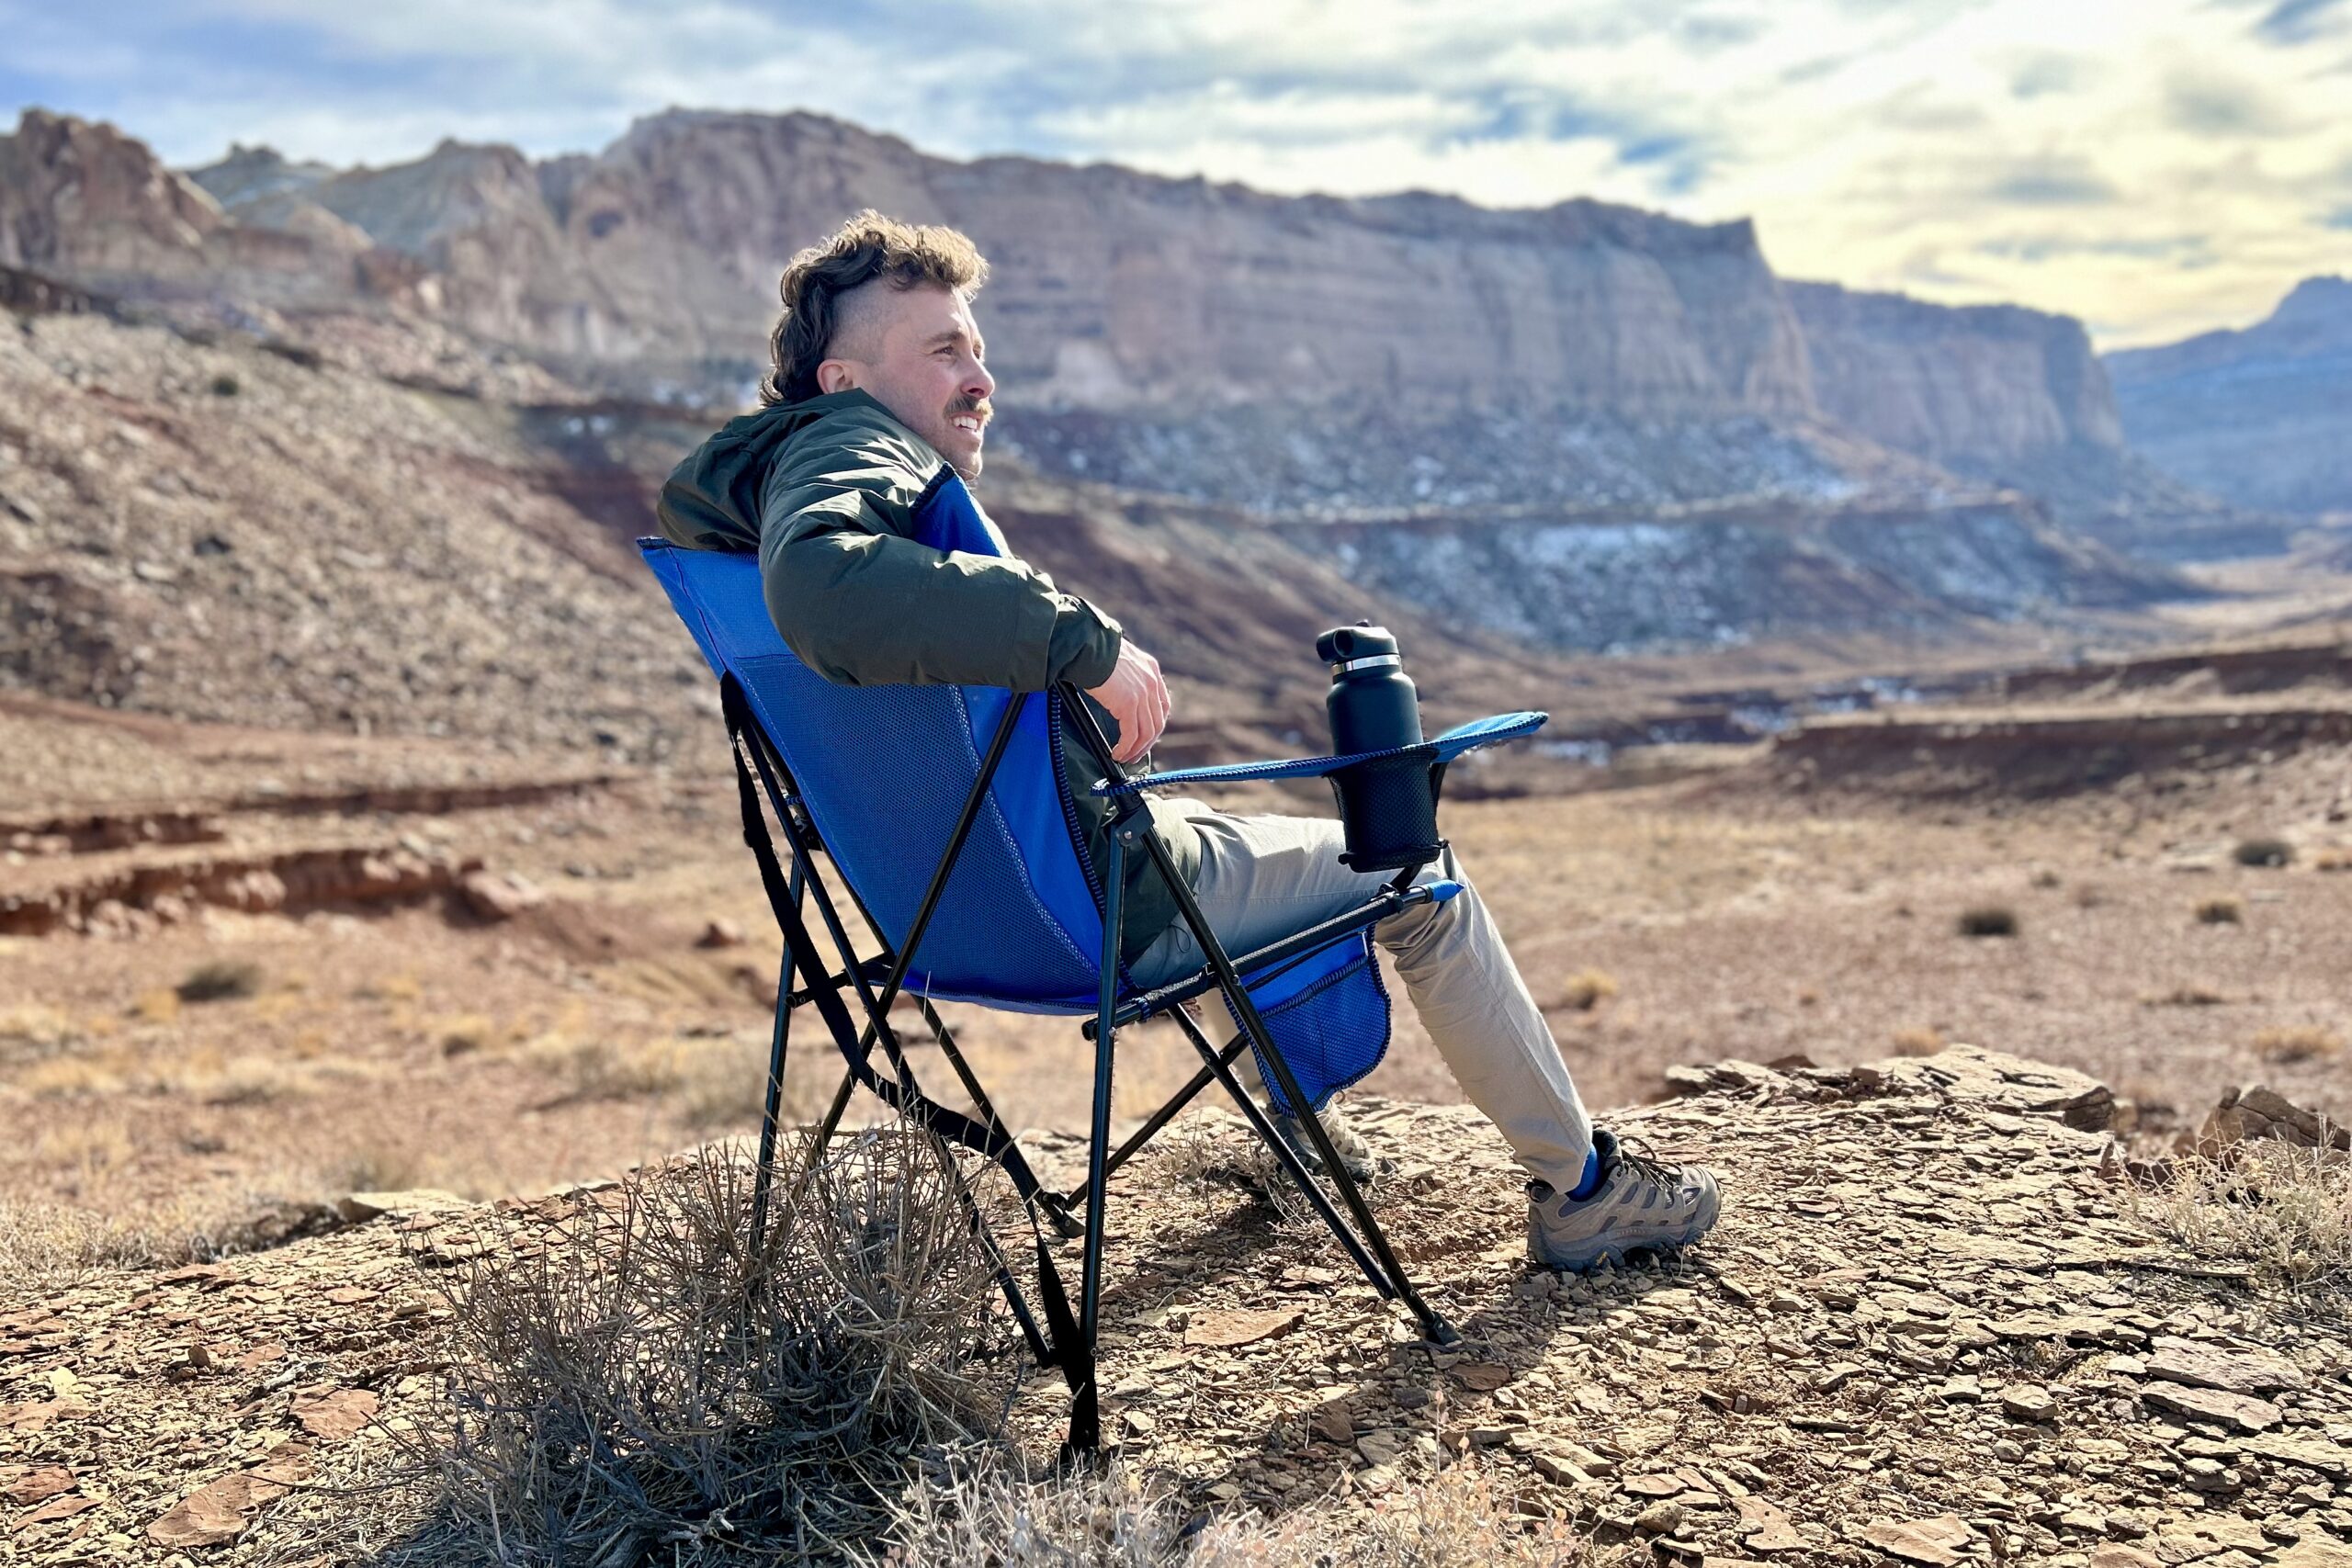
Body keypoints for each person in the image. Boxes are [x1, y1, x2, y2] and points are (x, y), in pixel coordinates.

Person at [655, 211, 1720, 1271]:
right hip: (1088, 910)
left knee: (1197, 819)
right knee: (1420, 872)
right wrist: (1083, 642)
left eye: (977, 349)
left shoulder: (742, 525)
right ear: (844, 381)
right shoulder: (848, 444)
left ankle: (1303, 1133)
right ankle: (1583, 1191)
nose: (980, 379)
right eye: (943, 352)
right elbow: (827, 590)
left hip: (946, 928)